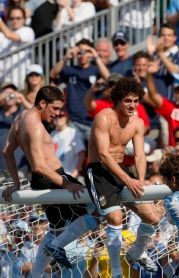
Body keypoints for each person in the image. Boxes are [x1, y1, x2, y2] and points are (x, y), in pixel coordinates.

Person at [1, 86, 99, 275]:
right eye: (54, 108)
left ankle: (37, 273)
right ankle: (56, 247)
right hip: (52, 178)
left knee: (56, 229)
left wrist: (16, 182)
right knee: (98, 210)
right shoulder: (35, 125)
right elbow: (38, 165)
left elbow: (6, 150)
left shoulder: (21, 118)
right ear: (42, 103)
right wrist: (66, 183)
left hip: (42, 180)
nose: (57, 113)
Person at [85, 78, 163, 277]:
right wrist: (129, 180)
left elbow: (139, 155)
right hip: (99, 171)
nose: (132, 105)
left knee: (153, 217)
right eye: (128, 100)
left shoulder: (137, 122)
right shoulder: (103, 117)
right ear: (117, 100)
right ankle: (118, 272)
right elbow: (103, 155)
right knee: (115, 218)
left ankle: (135, 252)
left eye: (136, 101)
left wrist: (142, 179)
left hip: (121, 170)